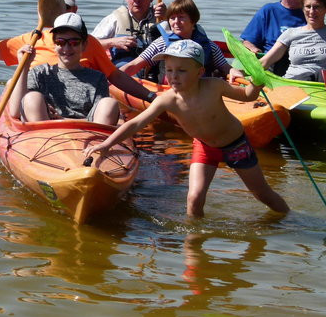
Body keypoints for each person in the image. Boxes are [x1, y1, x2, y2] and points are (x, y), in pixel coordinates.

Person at [84, 39, 289, 218]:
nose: (174, 76)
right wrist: (107, 143)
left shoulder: (214, 86)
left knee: (262, 194)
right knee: (194, 198)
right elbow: (136, 123)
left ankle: (288, 219)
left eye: (182, 71)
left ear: (199, 72)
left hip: (235, 144)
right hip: (205, 146)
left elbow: (247, 96)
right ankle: (194, 246)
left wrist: (257, 82)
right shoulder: (167, 100)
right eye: (170, 70)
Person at [0, 0, 158, 103]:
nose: (62, 12)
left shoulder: (90, 43)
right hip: (39, 111)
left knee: (109, 105)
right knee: (14, 86)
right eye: (57, 7)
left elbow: (116, 76)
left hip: (78, 109)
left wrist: (150, 96)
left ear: (74, 10)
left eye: (67, 7)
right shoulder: (32, 40)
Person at [9, 13, 120, 124]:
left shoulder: (97, 78)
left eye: (74, 43)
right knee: (32, 98)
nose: (66, 48)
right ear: (54, 45)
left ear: (84, 45)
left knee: (109, 103)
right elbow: (15, 112)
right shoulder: (40, 73)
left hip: (85, 133)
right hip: (43, 134)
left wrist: (62, 120)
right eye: (60, 42)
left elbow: (100, 117)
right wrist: (23, 66)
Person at [121, 0, 243, 81]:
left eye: (181, 17)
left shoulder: (209, 46)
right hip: (169, 93)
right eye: (172, 18)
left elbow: (225, 67)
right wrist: (113, 76)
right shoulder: (161, 44)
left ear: (193, 21)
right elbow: (134, 65)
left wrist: (233, 72)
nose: (176, 22)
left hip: (201, 93)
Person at [240, 0, 315, 76]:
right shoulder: (269, 11)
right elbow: (247, 42)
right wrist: (254, 50)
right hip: (274, 63)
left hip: (304, 60)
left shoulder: (311, 11)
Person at [91, 0, 166, 75]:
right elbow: (89, 44)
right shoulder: (115, 18)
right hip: (124, 74)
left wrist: (167, 17)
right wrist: (112, 42)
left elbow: (179, 39)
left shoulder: (160, 17)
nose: (137, 0)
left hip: (155, 73)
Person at [260, 0, 326, 81]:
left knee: (319, 74)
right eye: (308, 6)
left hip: (322, 86)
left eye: (317, 7)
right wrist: (240, 72)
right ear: (302, 8)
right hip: (294, 83)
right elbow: (265, 61)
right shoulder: (290, 33)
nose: (311, 11)